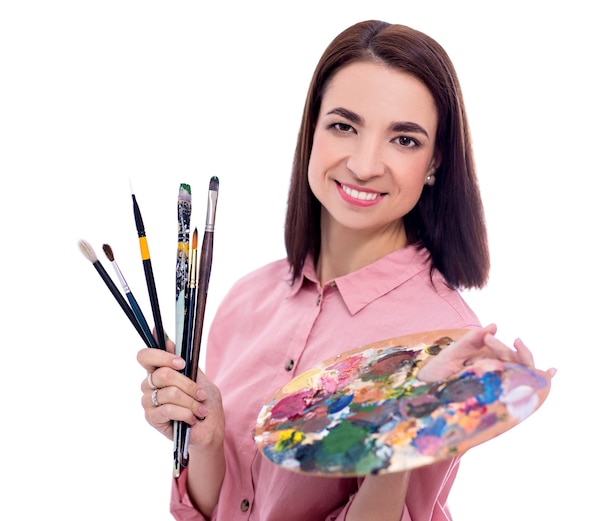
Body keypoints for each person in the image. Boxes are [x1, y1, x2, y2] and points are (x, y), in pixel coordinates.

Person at [137, 19, 554, 521]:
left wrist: (401, 434)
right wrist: (204, 439)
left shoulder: (441, 338)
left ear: (435, 162)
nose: (363, 164)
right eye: (343, 126)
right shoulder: (246, 298)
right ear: (311, 129)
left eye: (403, 140)